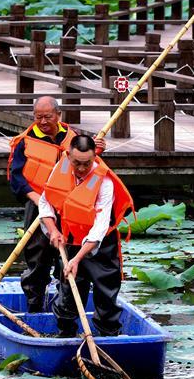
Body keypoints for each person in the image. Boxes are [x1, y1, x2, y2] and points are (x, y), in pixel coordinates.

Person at [8, 96, 104, 312]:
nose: (43, 121)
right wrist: (40, 202)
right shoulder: (24, 140)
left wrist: (99, 150)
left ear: (58, 115)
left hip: (70, 207)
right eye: (38, 117)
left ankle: (65, 308)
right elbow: (16, 178)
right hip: (37, 206)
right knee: (38, 258)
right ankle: (34, 306)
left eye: (48, 117)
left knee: (68, 258)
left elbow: (91, 165)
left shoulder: (74, 138)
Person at [38, 134, 134, 338]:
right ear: (68, 156)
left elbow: (99, 228)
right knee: (68, 294)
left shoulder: (104, 182)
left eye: (86, 164)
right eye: (77, 163)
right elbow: (45, 202)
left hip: (100, 245)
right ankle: (66, 336)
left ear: (94, 158)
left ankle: (109, 337)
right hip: (70, 240)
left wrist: (78, 259)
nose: (81, 168)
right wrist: (53, 230)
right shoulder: (60, 168)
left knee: (106, 295)